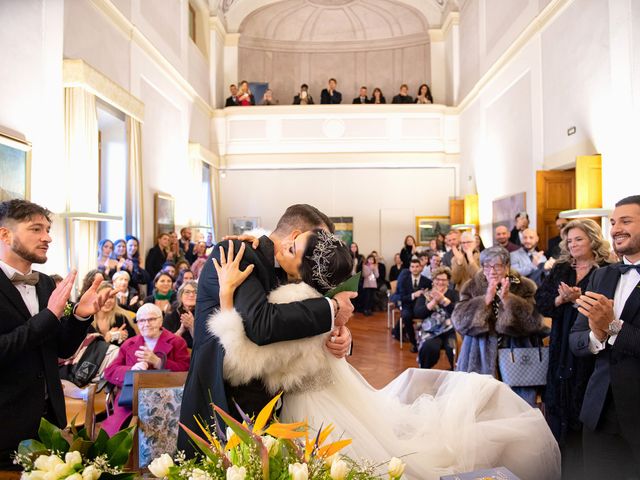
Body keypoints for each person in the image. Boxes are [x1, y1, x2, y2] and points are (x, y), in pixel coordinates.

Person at [209, 229, 561, 480]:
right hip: (335, 392)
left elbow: (242, 362)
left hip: (309, 406)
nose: (282, 244)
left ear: (302, 266)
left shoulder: (291, 302)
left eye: (293, 245)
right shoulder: (321, 302)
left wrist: (227, 296)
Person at [178, 204, 356, 458]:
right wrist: (333, 307)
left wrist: (341, 333)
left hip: (276, 398)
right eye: (317, 241)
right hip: (225, 395)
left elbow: (301, 320)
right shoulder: (236, 253)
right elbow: (262, 323)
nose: (319, 252)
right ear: (295, 235)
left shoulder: (292, 269)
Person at [0, 199, 114, 468]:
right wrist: (48, 317)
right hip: (5, 423)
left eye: (48, 229)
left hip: (48, 423)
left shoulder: (44, 284)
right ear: (4, 234)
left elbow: (59, 349)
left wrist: (80, 316)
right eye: (36, 229)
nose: (47, 237)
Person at [570, 195, 640, 478]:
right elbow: (576, 339)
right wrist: (596, 336)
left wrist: (612, 327)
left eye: (626, 221)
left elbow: (615, 328)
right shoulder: (602, 277)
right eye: (612, 222)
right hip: (599, 411)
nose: (615, 229)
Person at [535, 218, 611, 478]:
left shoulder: (607, 269)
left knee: (583, 403)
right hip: (560, 343)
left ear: (592, 239)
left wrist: (580, 300)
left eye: (579, 239)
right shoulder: (561, 268)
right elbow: (542, 303)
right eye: (569, 240)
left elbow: (610, 307)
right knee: (557, 401)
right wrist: (561, 298)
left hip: (590, 346)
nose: (573, 244)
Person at [452, 246, 547, 405]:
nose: (492, 271)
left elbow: (535, 322)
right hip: (478, 352)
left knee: (515, 405)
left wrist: (510, 300)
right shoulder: (472, 285)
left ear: (507, 266)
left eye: (497, 266)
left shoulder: (525, 286)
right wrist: (484, 301)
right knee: (479, 405)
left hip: (515, 352)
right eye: (487, 266)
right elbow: (458, 321)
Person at [102, 303, 190, 436]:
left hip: (166, 400)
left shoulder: (176, 342)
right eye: (142, 320)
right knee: (116, 435)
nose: (146, 324)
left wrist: (159, 362)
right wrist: (132, 369)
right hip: (131, 400)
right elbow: (110, 371)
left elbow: (185, 372)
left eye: (151, 319)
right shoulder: (129, 343)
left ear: (160, 320)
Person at [417, 266, 459, 369]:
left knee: (451, 347)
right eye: (438, 279)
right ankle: (424, 371)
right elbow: (418, 313)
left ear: (448, 282)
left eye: (444, 280)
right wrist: (434, 301)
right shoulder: (426, 295)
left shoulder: (454, 294)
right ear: (433, 281)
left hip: (450, 331)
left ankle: (455, 371)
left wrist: (443, 299)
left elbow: (458, 312)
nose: (440, 282)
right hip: (431, 332)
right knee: (429, 347)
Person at [392, 258, 432, 352]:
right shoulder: (404, 280)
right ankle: (413, 343)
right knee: (406, 316)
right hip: (407, 305)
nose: (415, 269)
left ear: (421, 268)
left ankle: (426, 341)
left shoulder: (427, 281)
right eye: (412, 267)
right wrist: (414, 295)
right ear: (409, 268)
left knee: (429, 314)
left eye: (417, 267)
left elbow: (430, 295)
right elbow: (401, 297)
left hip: (421, 306)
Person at [163, 280, 197, 348]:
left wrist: (192, 327)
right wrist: (181, 330)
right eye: (187, 292)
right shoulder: (171, 316)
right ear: (180, 297)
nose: (191, 295)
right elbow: (165, 345)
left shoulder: (205, 315)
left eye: (195, 292)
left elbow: (205, 346)